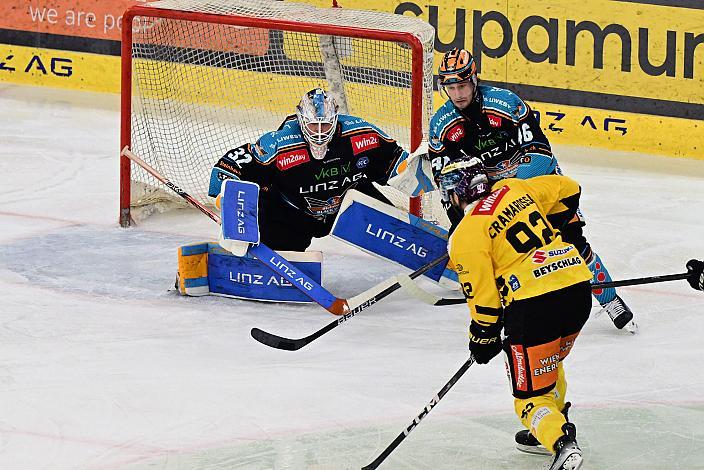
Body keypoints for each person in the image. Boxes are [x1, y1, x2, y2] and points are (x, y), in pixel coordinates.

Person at [428, 48, 636, 333]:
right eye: (451, 87)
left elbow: (538, 154)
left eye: (462, 85)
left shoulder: (505, 103)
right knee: (506, 251)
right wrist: (462, 222)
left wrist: (507, 192)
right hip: (491, 194)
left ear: (474, 80)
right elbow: (447, 180)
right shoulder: (441, 124)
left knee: (573, 242)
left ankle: (610, 299)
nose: (458, 93)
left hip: (534, 184)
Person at [438, 157, 592, 470]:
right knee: (549, 360)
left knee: (529, 399)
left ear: (456, 195)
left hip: (535, 306)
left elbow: (485, 302)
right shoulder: (515, 189)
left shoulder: (465, 235)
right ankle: (554, 423)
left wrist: (482, 338)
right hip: (577, 287)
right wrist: (556, 230)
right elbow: (569, 189)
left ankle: (561, 443)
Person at [208, 87, 434, 252]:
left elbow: (395, 162)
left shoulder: (361, 134)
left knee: (396, 227)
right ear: (300, 120)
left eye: (325, 125)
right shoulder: (280, 144)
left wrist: (423, 170)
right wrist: (224, 199)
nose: (319, 132)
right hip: (292, 214)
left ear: (336, 118)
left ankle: (430, 250)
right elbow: (231, 165)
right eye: (312, 125)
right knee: (279, 248)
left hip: (347, 205)